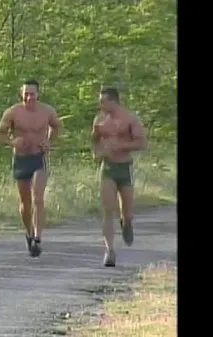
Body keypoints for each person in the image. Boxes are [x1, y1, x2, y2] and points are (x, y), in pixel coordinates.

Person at [0, 79, 60, 257]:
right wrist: (11, 141)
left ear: (38, 94)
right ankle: (29, 233)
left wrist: (48, 140)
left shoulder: (47, 111)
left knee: (38, 197)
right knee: (25, 203)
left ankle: (38, 237)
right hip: (21, 158)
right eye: (26, 94)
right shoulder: (13, 112)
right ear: (21, 94)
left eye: (32, 93)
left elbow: (56, 126)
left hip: (39, 157)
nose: (29, 97)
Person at [91, 87, 148, 267]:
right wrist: (97, 152)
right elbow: (95, 140)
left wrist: (119, 146)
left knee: (127, 212)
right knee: (108, 211)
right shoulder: (99, 120)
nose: (100, 105)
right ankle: (109, 251)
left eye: (103, 101)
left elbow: (141, 143)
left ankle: (127, 222)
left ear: (113, 101)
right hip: (107, 167)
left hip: (124, 167)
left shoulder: (129, 119)